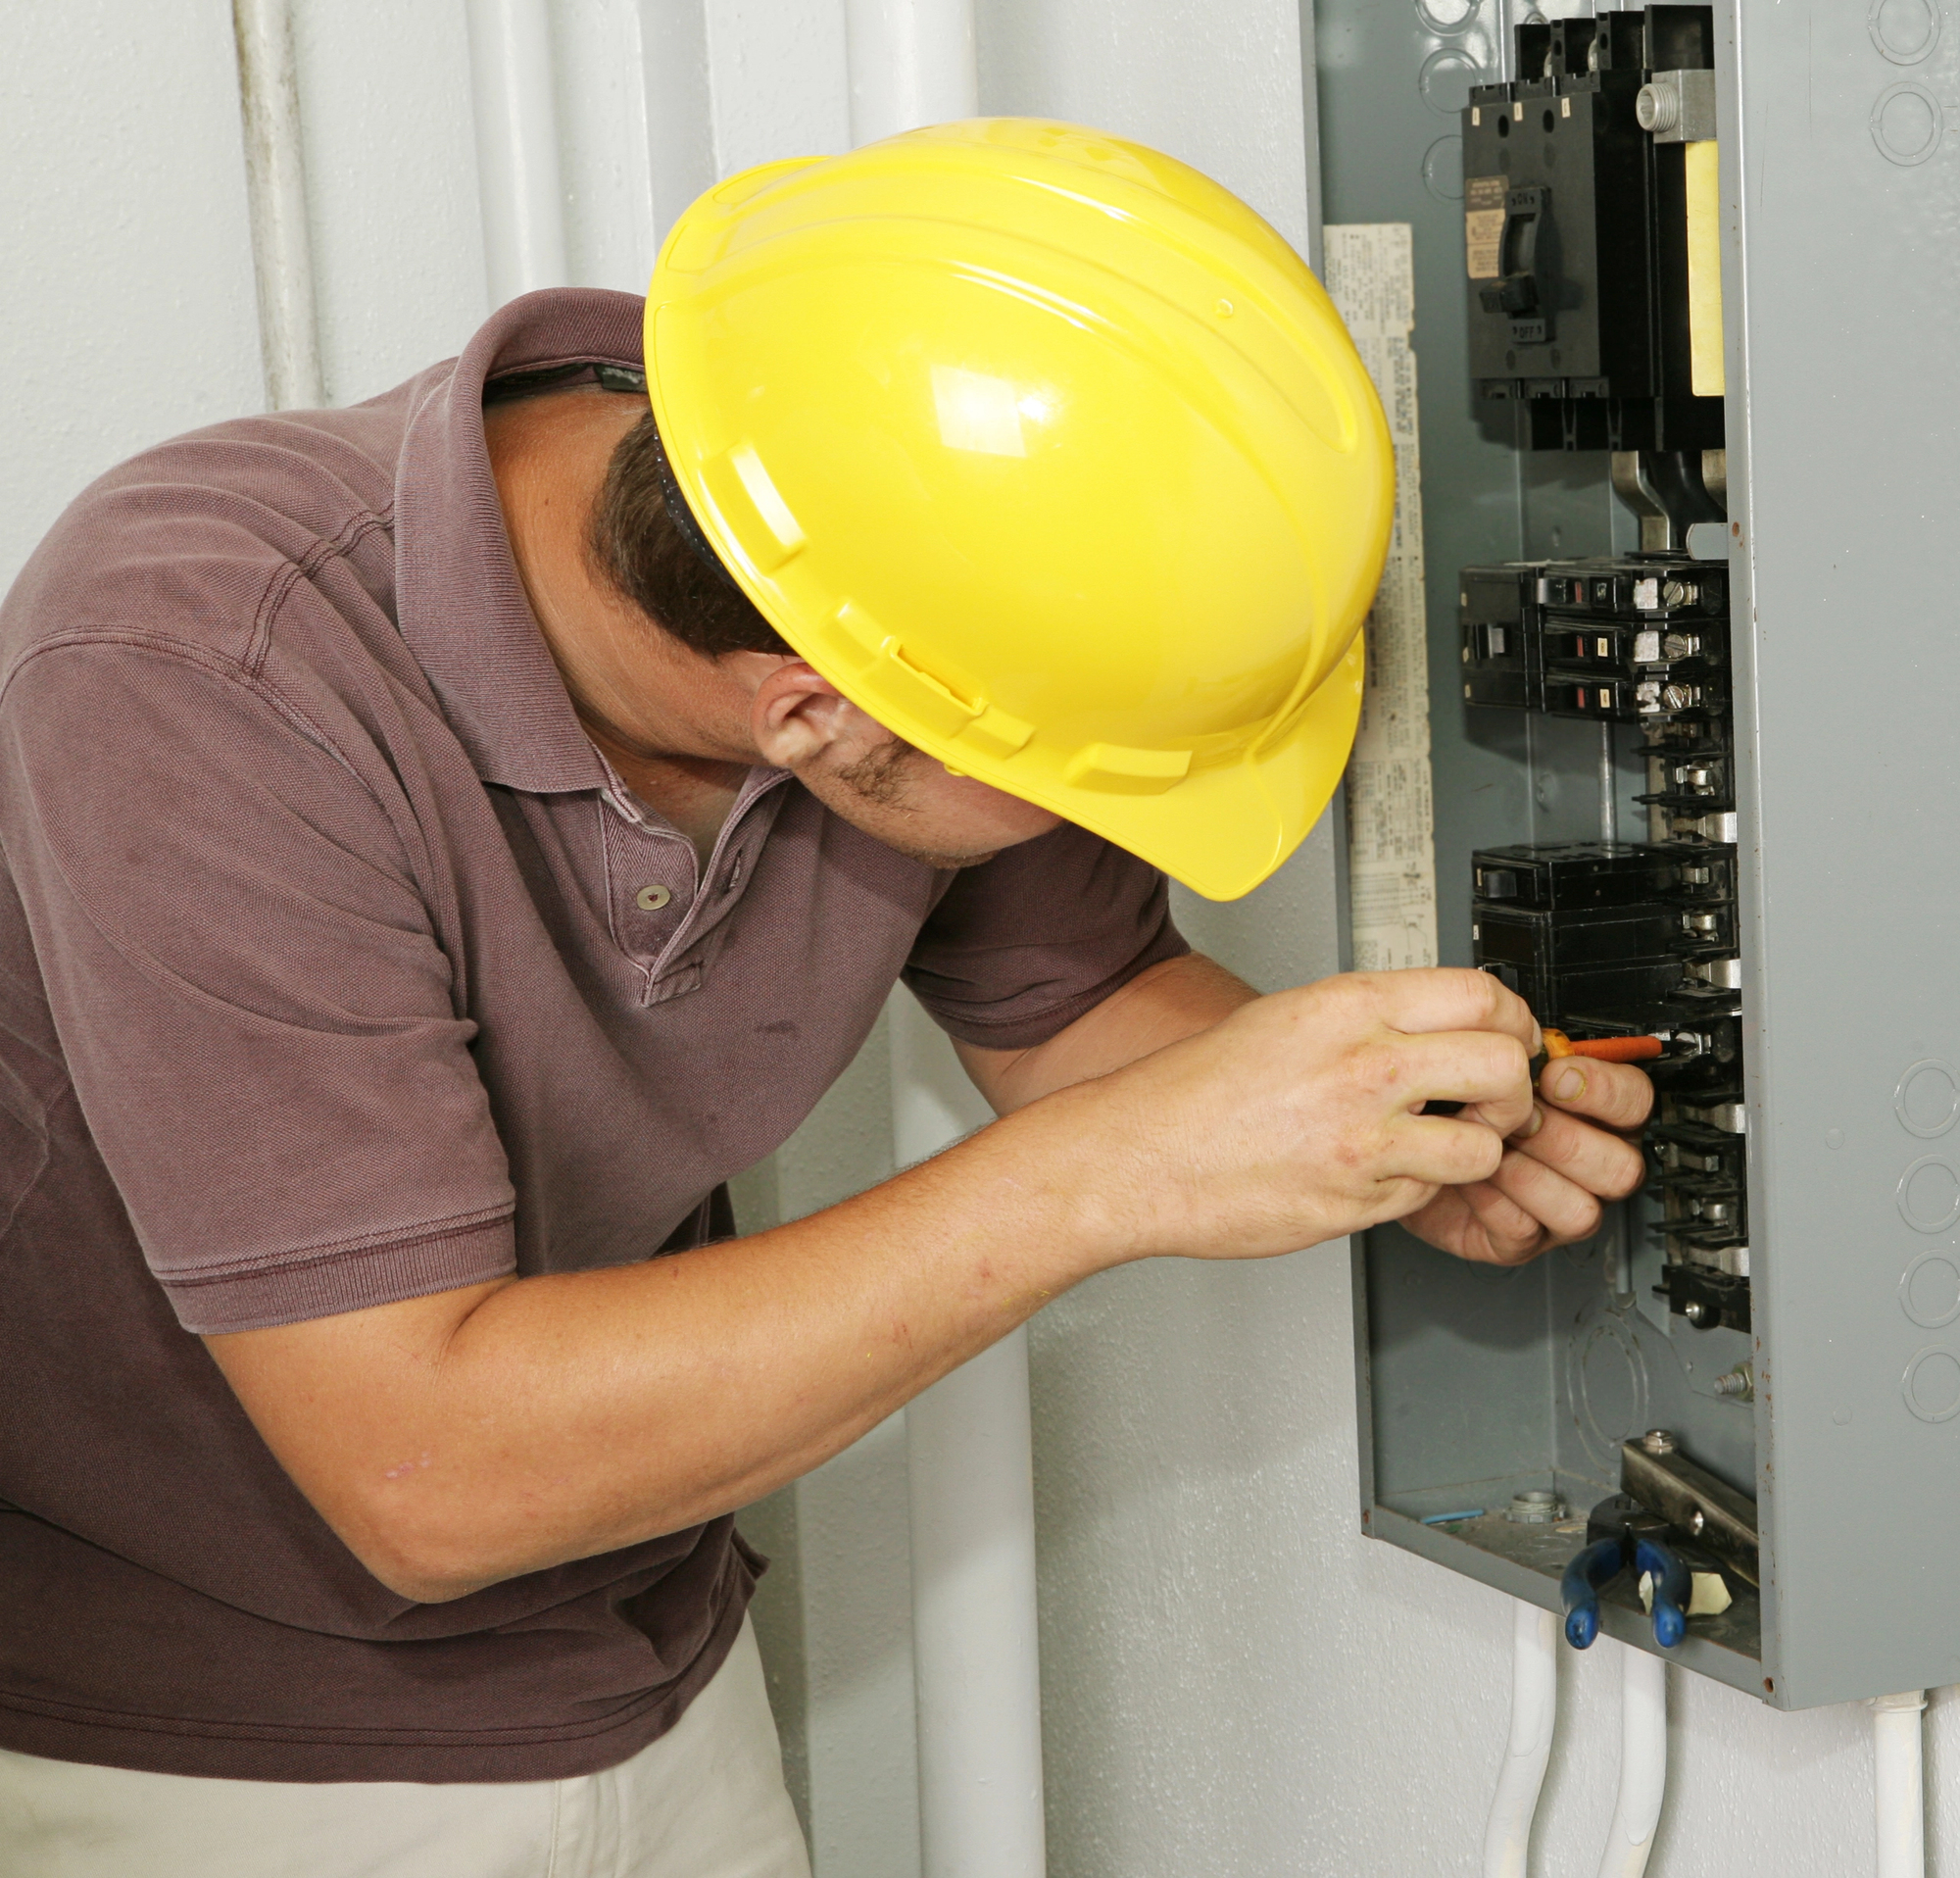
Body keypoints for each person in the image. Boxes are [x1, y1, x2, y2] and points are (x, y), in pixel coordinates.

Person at [0, 122, 1649, 1876]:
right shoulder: (197, 671)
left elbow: (1078, 1011)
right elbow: (430, 1476)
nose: (1089, 822)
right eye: (1068, 779)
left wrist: (1402, 1127)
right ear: (815, 714)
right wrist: (1107, 1178)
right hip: (217, 1770)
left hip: (655, 1673)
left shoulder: (891, 504)